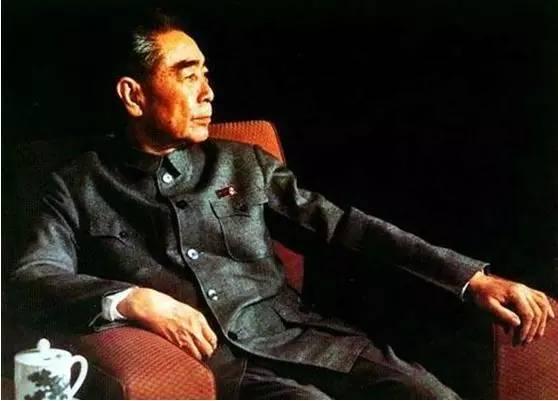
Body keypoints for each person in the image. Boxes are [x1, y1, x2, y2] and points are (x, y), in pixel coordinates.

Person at [11, 11, 554, 399]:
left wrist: (472, 280)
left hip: (303, 340)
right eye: (187, 74)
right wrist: (131, 299)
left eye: (206, 75)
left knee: (428, 395)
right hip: (221, 368)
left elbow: (345, 229)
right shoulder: (74, 185)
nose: (208, 92)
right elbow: (33, 274)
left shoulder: (242, 162)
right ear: (134, 95)